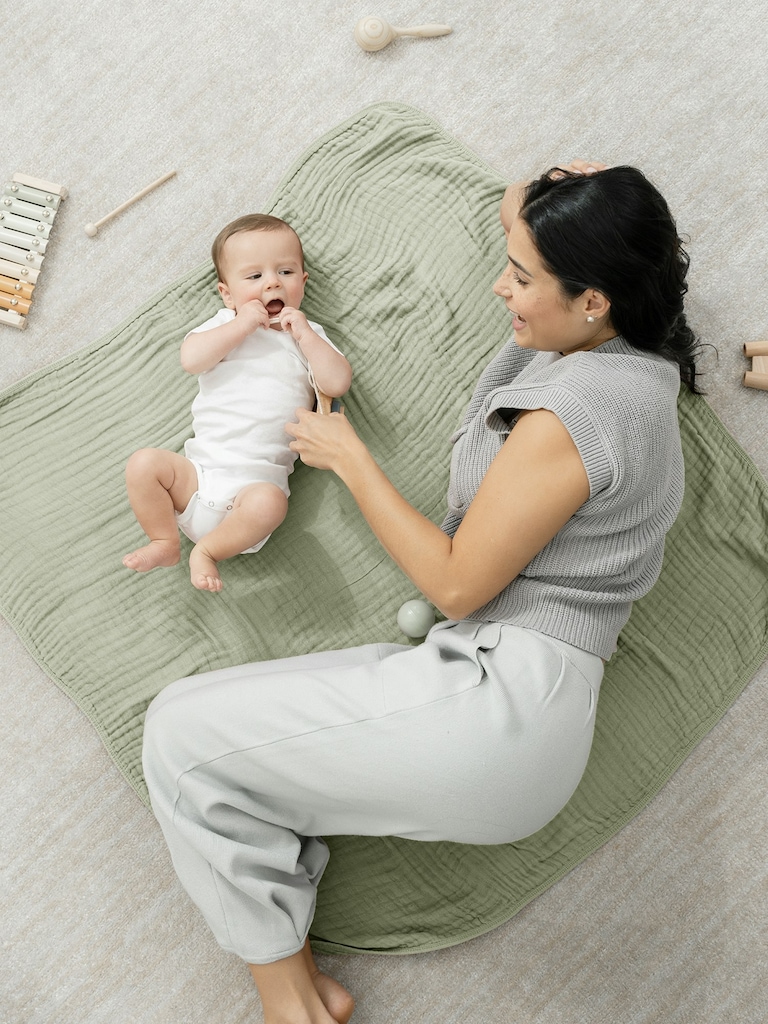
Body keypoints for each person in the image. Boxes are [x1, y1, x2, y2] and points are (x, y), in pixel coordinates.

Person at [142, 160, 699, 1023]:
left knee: (178, 736)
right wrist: (562, 185)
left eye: (519, 276)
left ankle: (287, 1007)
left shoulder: (578, 410)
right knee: (203, 733)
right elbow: (548, 225)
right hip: (509, 706)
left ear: (593, 297)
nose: (498, 286)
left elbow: (459, 583)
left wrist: (355, 464)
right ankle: (304, 987)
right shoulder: (631, 356)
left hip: (495, 706)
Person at [122, 214, 352, 591]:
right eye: (254, 276)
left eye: (285, 272)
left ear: (303, 283)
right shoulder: (224, 324)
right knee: (143, 464)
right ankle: (164, 541)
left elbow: (337, 382)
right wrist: (241, 325)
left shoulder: (308, 336)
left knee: (272, 502)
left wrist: (307, 335)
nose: (273, 282)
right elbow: (191, 359)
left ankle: (207, 552)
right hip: (197, 479)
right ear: (227, 293)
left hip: (253, 495)